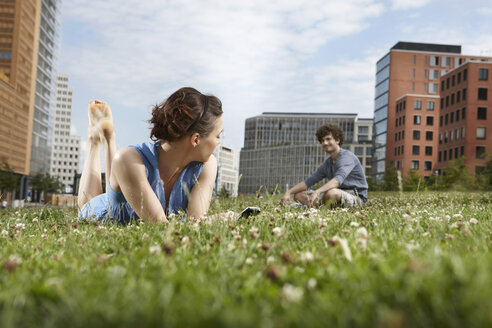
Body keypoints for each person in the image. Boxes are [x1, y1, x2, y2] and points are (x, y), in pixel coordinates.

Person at [78, 87, 223, 224]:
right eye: (217, 135)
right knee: (90, 201)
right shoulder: (128, 159)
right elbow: (159, 225)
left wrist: (212, 220)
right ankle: (94, 138)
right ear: (196, 139)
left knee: (119, 177)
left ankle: (109, 138)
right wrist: (216, 219)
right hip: (105, 215)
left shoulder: (207, 165)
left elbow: (195, 223)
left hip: (124, 188)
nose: (218, 142)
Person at [280, 123, 368, 208]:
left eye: (328, 139)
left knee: (331, 193)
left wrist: (317, 192)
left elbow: (337, 181)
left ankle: (316, 206)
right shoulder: (328, 163)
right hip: (333, 194)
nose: (325, 143)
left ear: (337, 140)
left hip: (355, 197)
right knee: (298, 194)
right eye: (322, 141)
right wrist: (288, 192)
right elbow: (309, 182)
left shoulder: (347, 157)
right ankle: (318, 207)